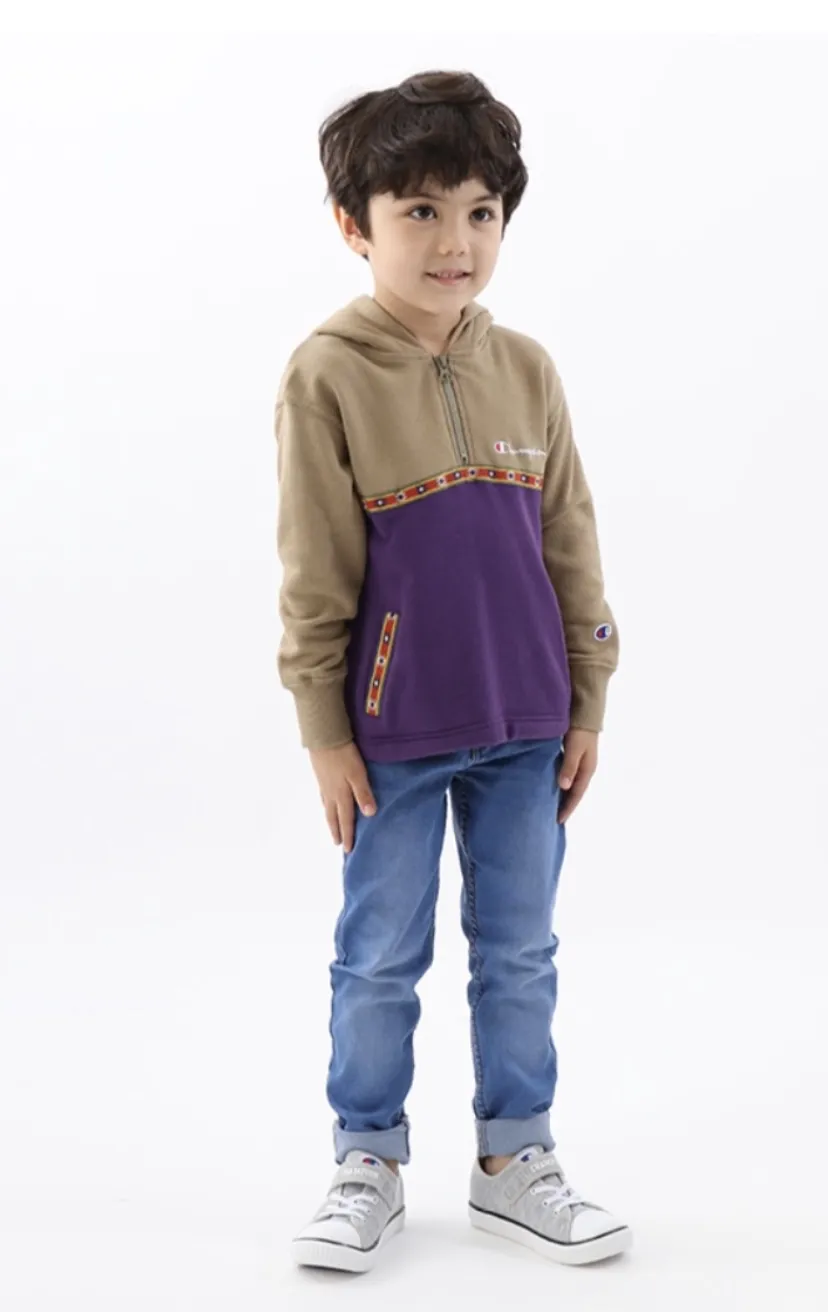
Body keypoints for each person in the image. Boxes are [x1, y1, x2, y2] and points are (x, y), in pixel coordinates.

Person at [274, 68, 631, 1275]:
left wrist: (587, 695)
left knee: (521, 950)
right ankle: (365, 1162)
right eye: (419, 211)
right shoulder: (328, 373)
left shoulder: (526, 367)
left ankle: (514, 1160)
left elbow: (570, 538)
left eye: (479, 211)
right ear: (354, 224)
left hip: (529, 723)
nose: (454, 242)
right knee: (380, 954)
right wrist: (325, 728)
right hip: (393, 735)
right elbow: (315, 570)